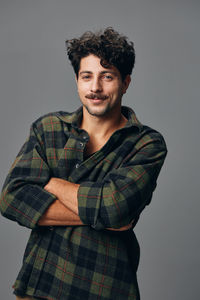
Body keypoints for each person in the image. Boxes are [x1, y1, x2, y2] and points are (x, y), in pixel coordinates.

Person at [0, 27, 167, 300]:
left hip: (105, 288)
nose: (95, 88)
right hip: (38, 287)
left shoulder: (146, 144)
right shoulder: (48, 128)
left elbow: (115, 209)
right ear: (77, 80)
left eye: (107, 77)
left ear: (125, 83)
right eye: (86, 76)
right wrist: (105, 214)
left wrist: (52, 183)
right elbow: (11, 198)